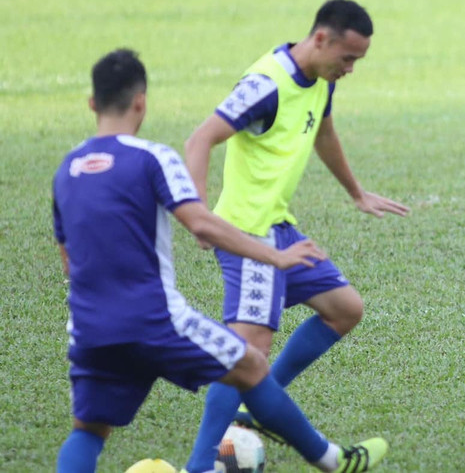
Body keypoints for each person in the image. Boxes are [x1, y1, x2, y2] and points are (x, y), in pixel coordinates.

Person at [53, 49, 388, 473]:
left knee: (88, 431)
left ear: (91, 103)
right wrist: (275, 256)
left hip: (89, 326)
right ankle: (331, 461)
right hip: (154, 318)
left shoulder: (67, 169)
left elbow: (68, 261)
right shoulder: (152, 158)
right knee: (249, 362)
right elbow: (201, 225)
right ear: (141, 102)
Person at [182, 0, 409, 473]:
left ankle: (258, 408)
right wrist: (198, 213)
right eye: (348, 58)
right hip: (247, 236)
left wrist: (355, 191)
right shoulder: (266, 85)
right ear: (321, 39)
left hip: (279, 228)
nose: (351, 69)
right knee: (245, 355)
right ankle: (201, 466)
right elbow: (200, 138)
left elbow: (323, 131)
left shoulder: (320, 80)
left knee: (345, 309)